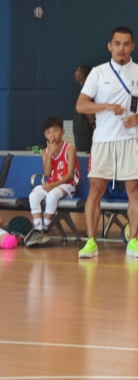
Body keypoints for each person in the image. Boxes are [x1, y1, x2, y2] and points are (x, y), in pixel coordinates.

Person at [75, 26, 138, 259]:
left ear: (132, 46)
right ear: (109, 46)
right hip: (102, 141)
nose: (121, 48)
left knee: (134, 191)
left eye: (126, 44)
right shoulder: (98, 73)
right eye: (117, 43)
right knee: (96, 189)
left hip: (131, 141)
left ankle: (134, 242)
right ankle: (91, 242)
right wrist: (106, 106)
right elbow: (81, 105)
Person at [26, 116, 79, 247]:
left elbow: (70, 175)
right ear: (45, 134)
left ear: (62, 131)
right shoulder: (44, 152)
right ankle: (38, 230)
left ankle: (44, 230)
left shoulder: (70, 149)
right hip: (52, 183)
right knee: (33, 195)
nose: (52, 135)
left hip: (68, 184)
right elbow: (47, 173)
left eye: (55, 130)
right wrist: (49, 154)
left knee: (52, 195)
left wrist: (54, 185)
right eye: (48, 132)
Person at [73, 65, 95, 153]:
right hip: (80, 129)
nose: (75, 73)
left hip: (84, 130)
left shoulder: (87, 89)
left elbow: (87, 107)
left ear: (83, 75)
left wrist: (93, 123)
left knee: (83, 154)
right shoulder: (83, 88)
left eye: (77, 71)